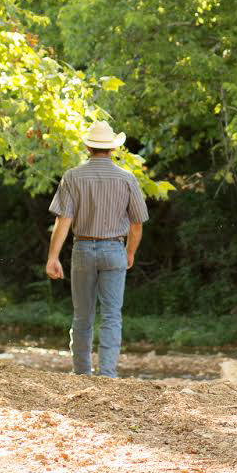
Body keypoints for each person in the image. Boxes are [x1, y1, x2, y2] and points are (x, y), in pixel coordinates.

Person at [44, 120, 148, 377]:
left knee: (82, 316)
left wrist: (52, 257)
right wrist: (130, 253)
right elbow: (137, 225)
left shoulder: (73, 176)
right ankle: (108, 375)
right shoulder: (127, 179)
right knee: (112, 315)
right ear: (112, 148)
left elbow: (63, 221)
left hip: (83, 249)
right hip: (115, 250)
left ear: (88, 147)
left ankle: (81, 373)